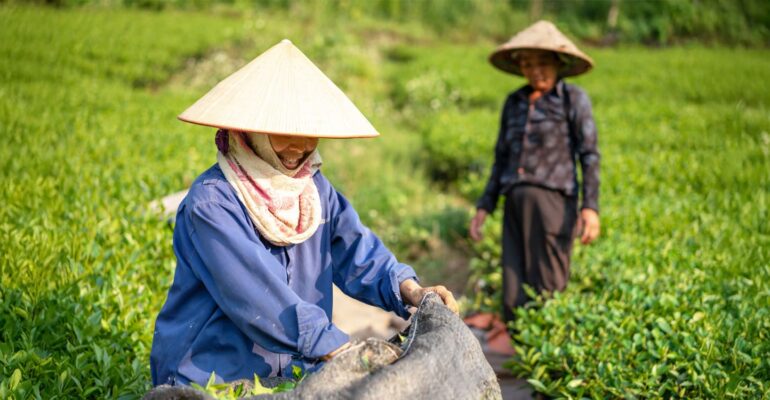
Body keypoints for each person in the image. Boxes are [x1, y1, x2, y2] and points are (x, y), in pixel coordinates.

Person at [150, 39, 458, 387]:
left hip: (290, 376)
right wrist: (339, 349)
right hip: (212, 378)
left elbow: (358, 252)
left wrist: (411, 290)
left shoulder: (314, 191)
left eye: (308, 133)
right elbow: (257, 296)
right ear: (249, 130)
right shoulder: (213, 204)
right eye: (283, 133)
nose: (298, 148)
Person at [469, 21, 601, 327]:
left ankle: (550, 353)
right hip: (514, 202)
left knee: (548, 281)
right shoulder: (514, 102)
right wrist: (484, 207)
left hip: (554, 202)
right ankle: (521, 355)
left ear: (559, 63)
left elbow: (589, 154)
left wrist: (590, 207)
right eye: (527, 64)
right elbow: (501, 157)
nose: (535, 70)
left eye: (542, 63)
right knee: (513, 281)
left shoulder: (572, 99)